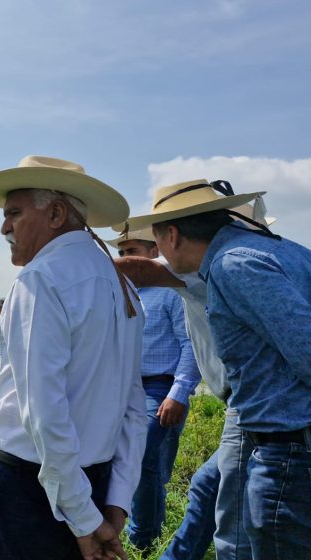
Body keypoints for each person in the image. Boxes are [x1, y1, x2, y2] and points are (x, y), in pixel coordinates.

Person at [126, 178, 311, 558]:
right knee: (214, 491)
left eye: (157, 243)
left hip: (296, 451)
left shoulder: (233, 265)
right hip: (306, 444)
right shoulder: (293, 253)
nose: (160, 256)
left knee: (247, 535)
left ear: (171, 235)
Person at [0, 155, 147, 560]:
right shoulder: (124, 288)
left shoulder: (41, 280)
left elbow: (45, 415)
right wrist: (114, 502)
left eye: (14, 212)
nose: (4, 227)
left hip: (30, 494)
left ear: (56, 213)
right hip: (92, 488)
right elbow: (135, 408)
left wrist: (82, 519)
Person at [105, 228, 201, 552]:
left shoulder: (172, 292)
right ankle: (136, 527)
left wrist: (178, 393)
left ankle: (141, 538)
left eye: (132, 249)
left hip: (160, 387)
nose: (124, 258)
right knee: (129, 457)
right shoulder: (121, 292)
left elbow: (192, 344)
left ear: (154, 251)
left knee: (144, 455)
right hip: (123, 385)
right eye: (121, 251)